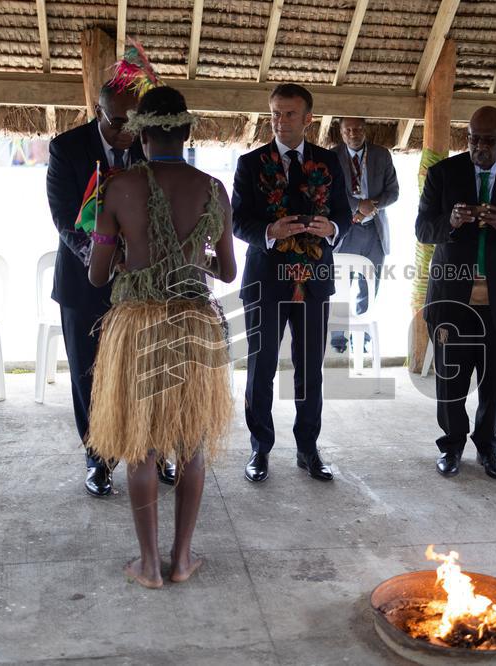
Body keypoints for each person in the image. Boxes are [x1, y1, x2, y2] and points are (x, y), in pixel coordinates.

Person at [86, 85, 236, 587]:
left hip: (136, 327)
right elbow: (230, 271)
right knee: (191, 444)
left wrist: (129, 256)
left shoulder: (118, 186)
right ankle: (184, 558)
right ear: (187, 132)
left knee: (140, 448)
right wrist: (195, 260)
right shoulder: (214, 189)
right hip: (194, 321)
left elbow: (96, 275)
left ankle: (149, 565)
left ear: (141, 135)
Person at [47, 81, 175, 497]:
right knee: (89, 373)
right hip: (84, 283)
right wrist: (106, 259)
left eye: (135, 122)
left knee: (147, 369)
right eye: (118, 121)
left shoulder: (150, 147)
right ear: (98, 113)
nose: (127, 131)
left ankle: (154, 453)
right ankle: (98, 459)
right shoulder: (66, 148)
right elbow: (66, 219)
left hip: (142, 284)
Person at [416, 106, 496, 480]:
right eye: (473, 139)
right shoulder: (443, 173)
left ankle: (488, 449)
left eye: (488, 141)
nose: (479, 148)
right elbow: (424, 228)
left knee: (493, 385)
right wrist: (451, 222)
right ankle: (452, 447)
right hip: (452, 300)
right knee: (450, 382)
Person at [232, 83, 352, 483]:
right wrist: (270, 230)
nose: (280, 121)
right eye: (275, 114)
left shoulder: (328, 162)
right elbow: (237, 221)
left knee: (310, 369)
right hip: (266, 278)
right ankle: (260, 448)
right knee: (261, 366)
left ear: (308, 119)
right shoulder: (250, 164)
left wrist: (331, 226)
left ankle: (308, 448)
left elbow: (345, 215)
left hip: (314, 278)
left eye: (288, 114)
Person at [330, 117, 399, 353]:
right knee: (341, 284)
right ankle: (339, 338)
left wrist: (371, 205)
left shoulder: (382, 155)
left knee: (370, 285)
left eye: (358, 128)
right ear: (341, 132)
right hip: (346, 228)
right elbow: (329, 192)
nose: (353, 133)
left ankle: (362, 339)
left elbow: (394, 192)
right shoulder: (332, 156)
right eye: (348, 129)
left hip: (375, 230)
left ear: (365, 130)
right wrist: (357, 206)